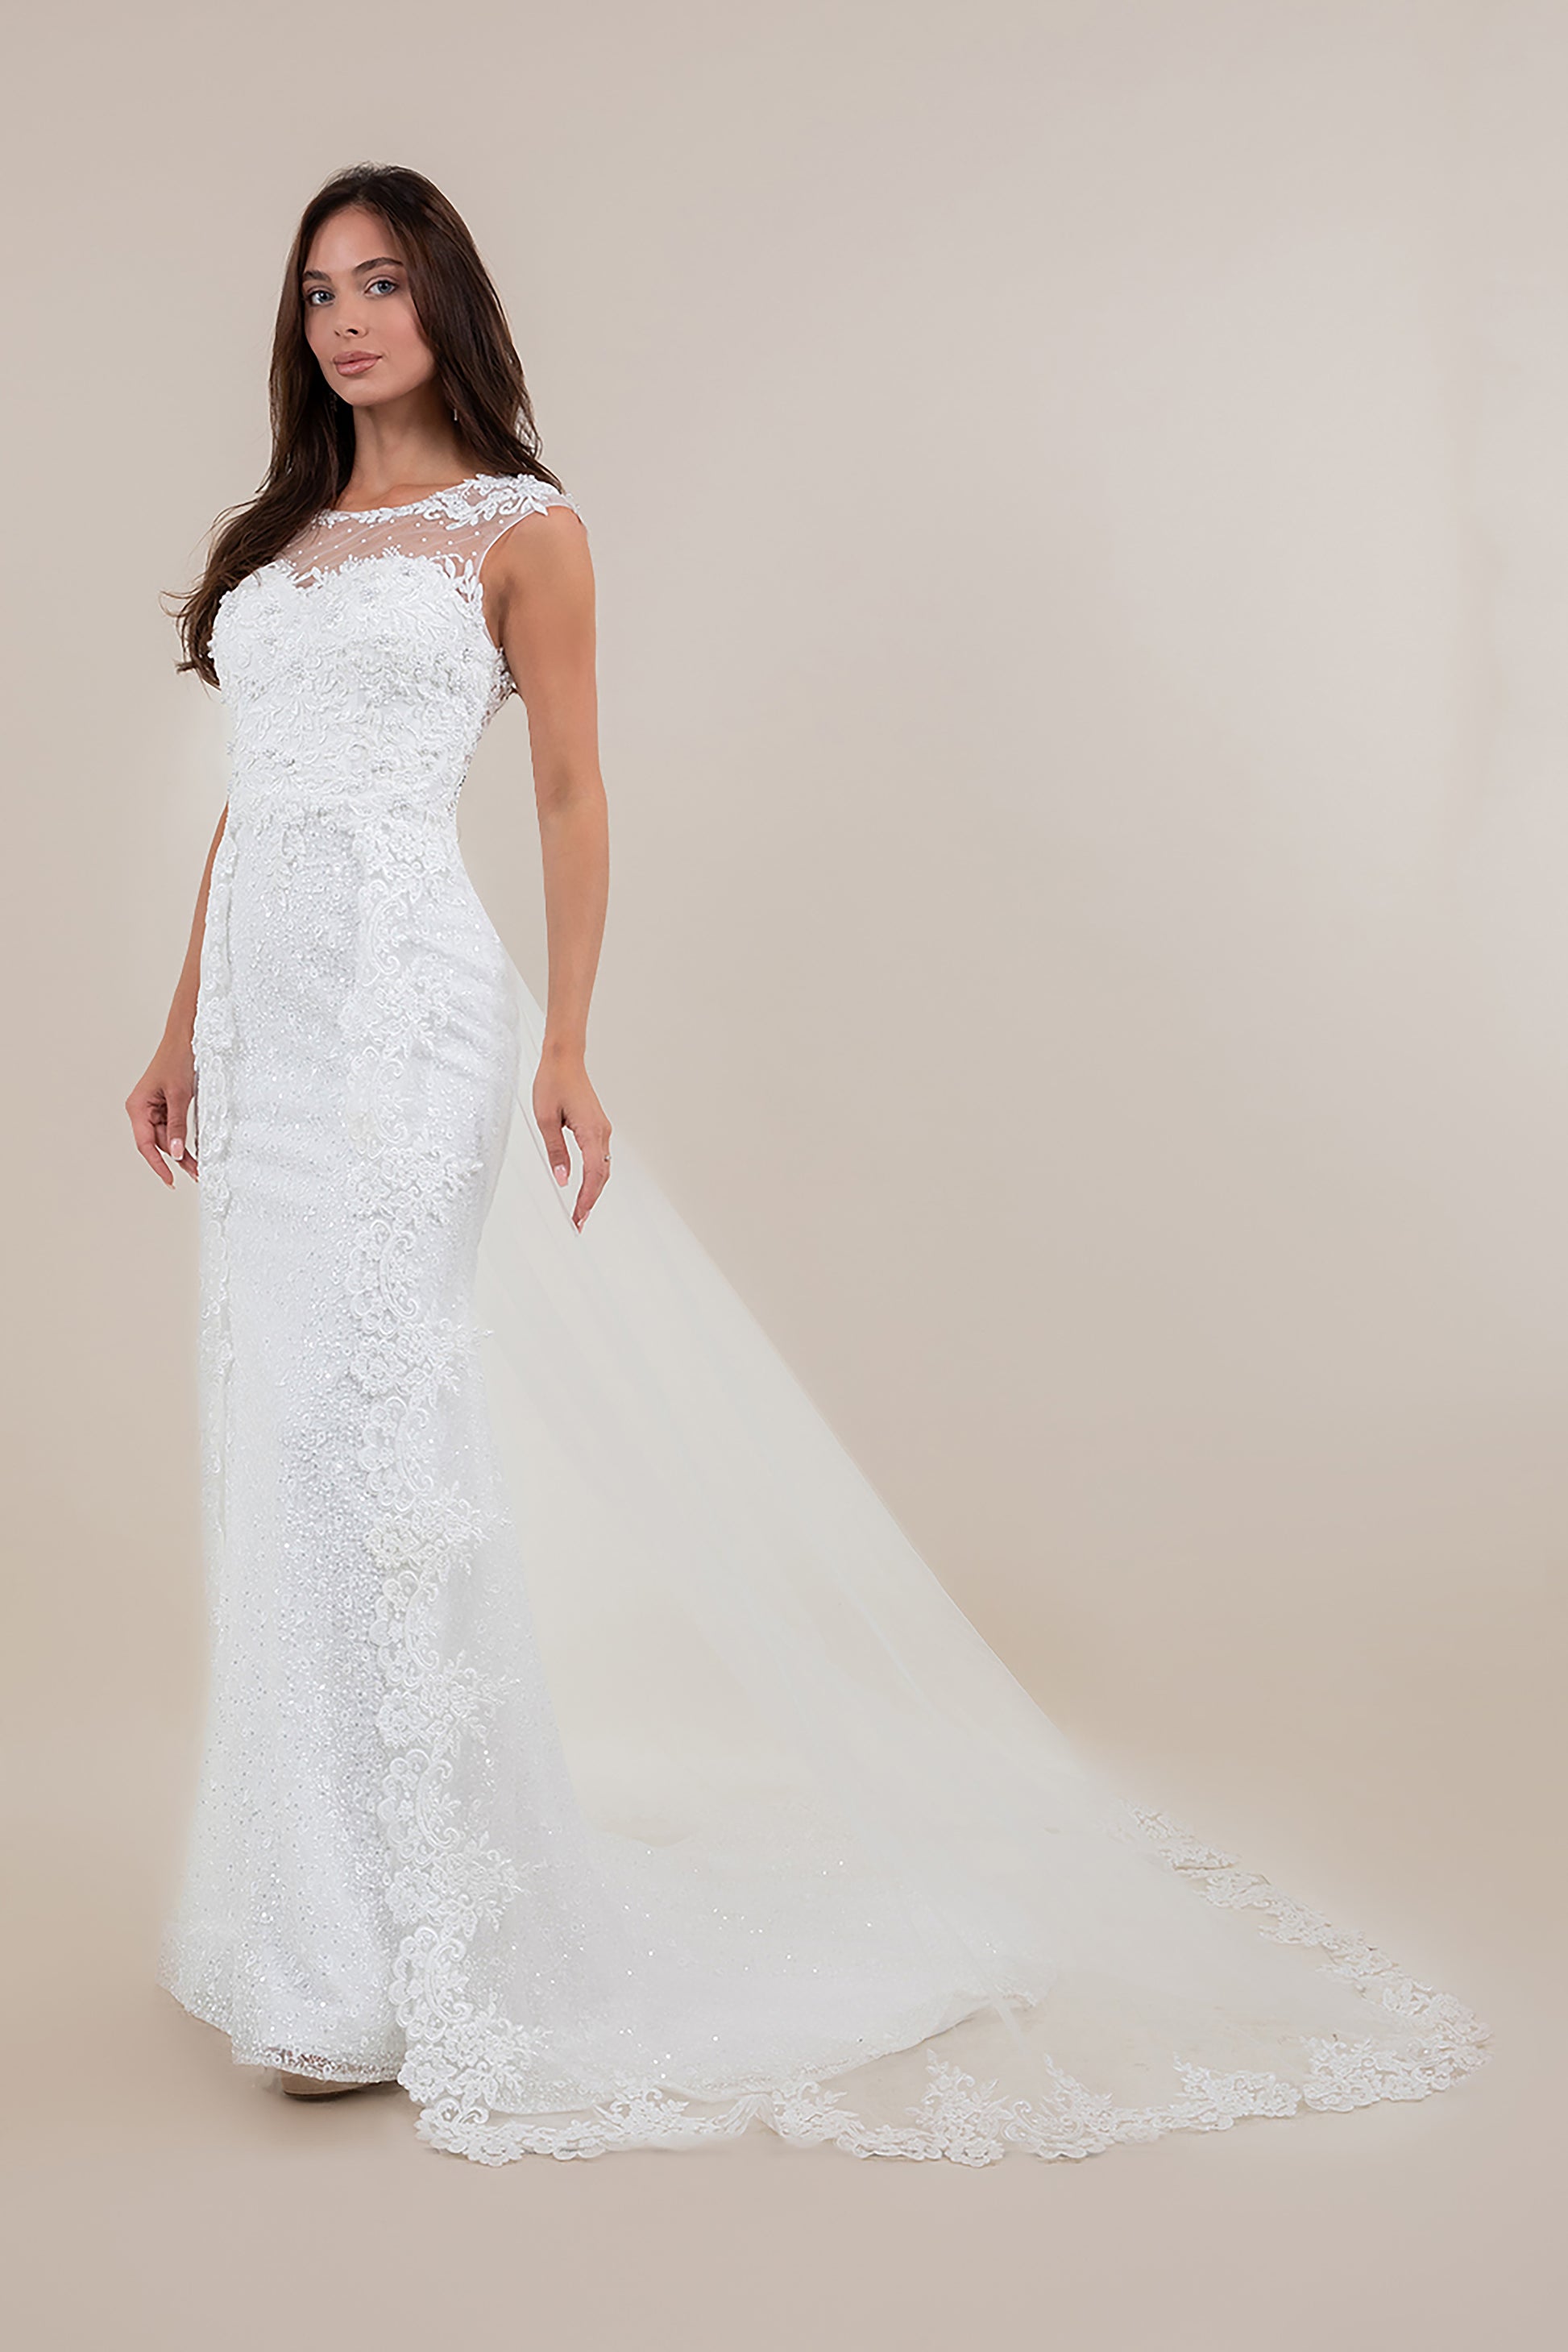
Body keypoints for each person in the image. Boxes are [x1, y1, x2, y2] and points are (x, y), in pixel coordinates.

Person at [127, 162, 1487, 2167]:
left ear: (447, 304)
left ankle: (440, 1930)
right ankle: (303, 1936)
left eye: (384, 284)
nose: (346, 320)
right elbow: (259, 811)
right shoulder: (282, 541)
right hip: (261, 1031)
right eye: (320, 288)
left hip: (407, 1019)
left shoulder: (526, 529)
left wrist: (570, 1034)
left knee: (382, 1433)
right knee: (272, 1432)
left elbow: (576, 785)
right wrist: (175, 1028)